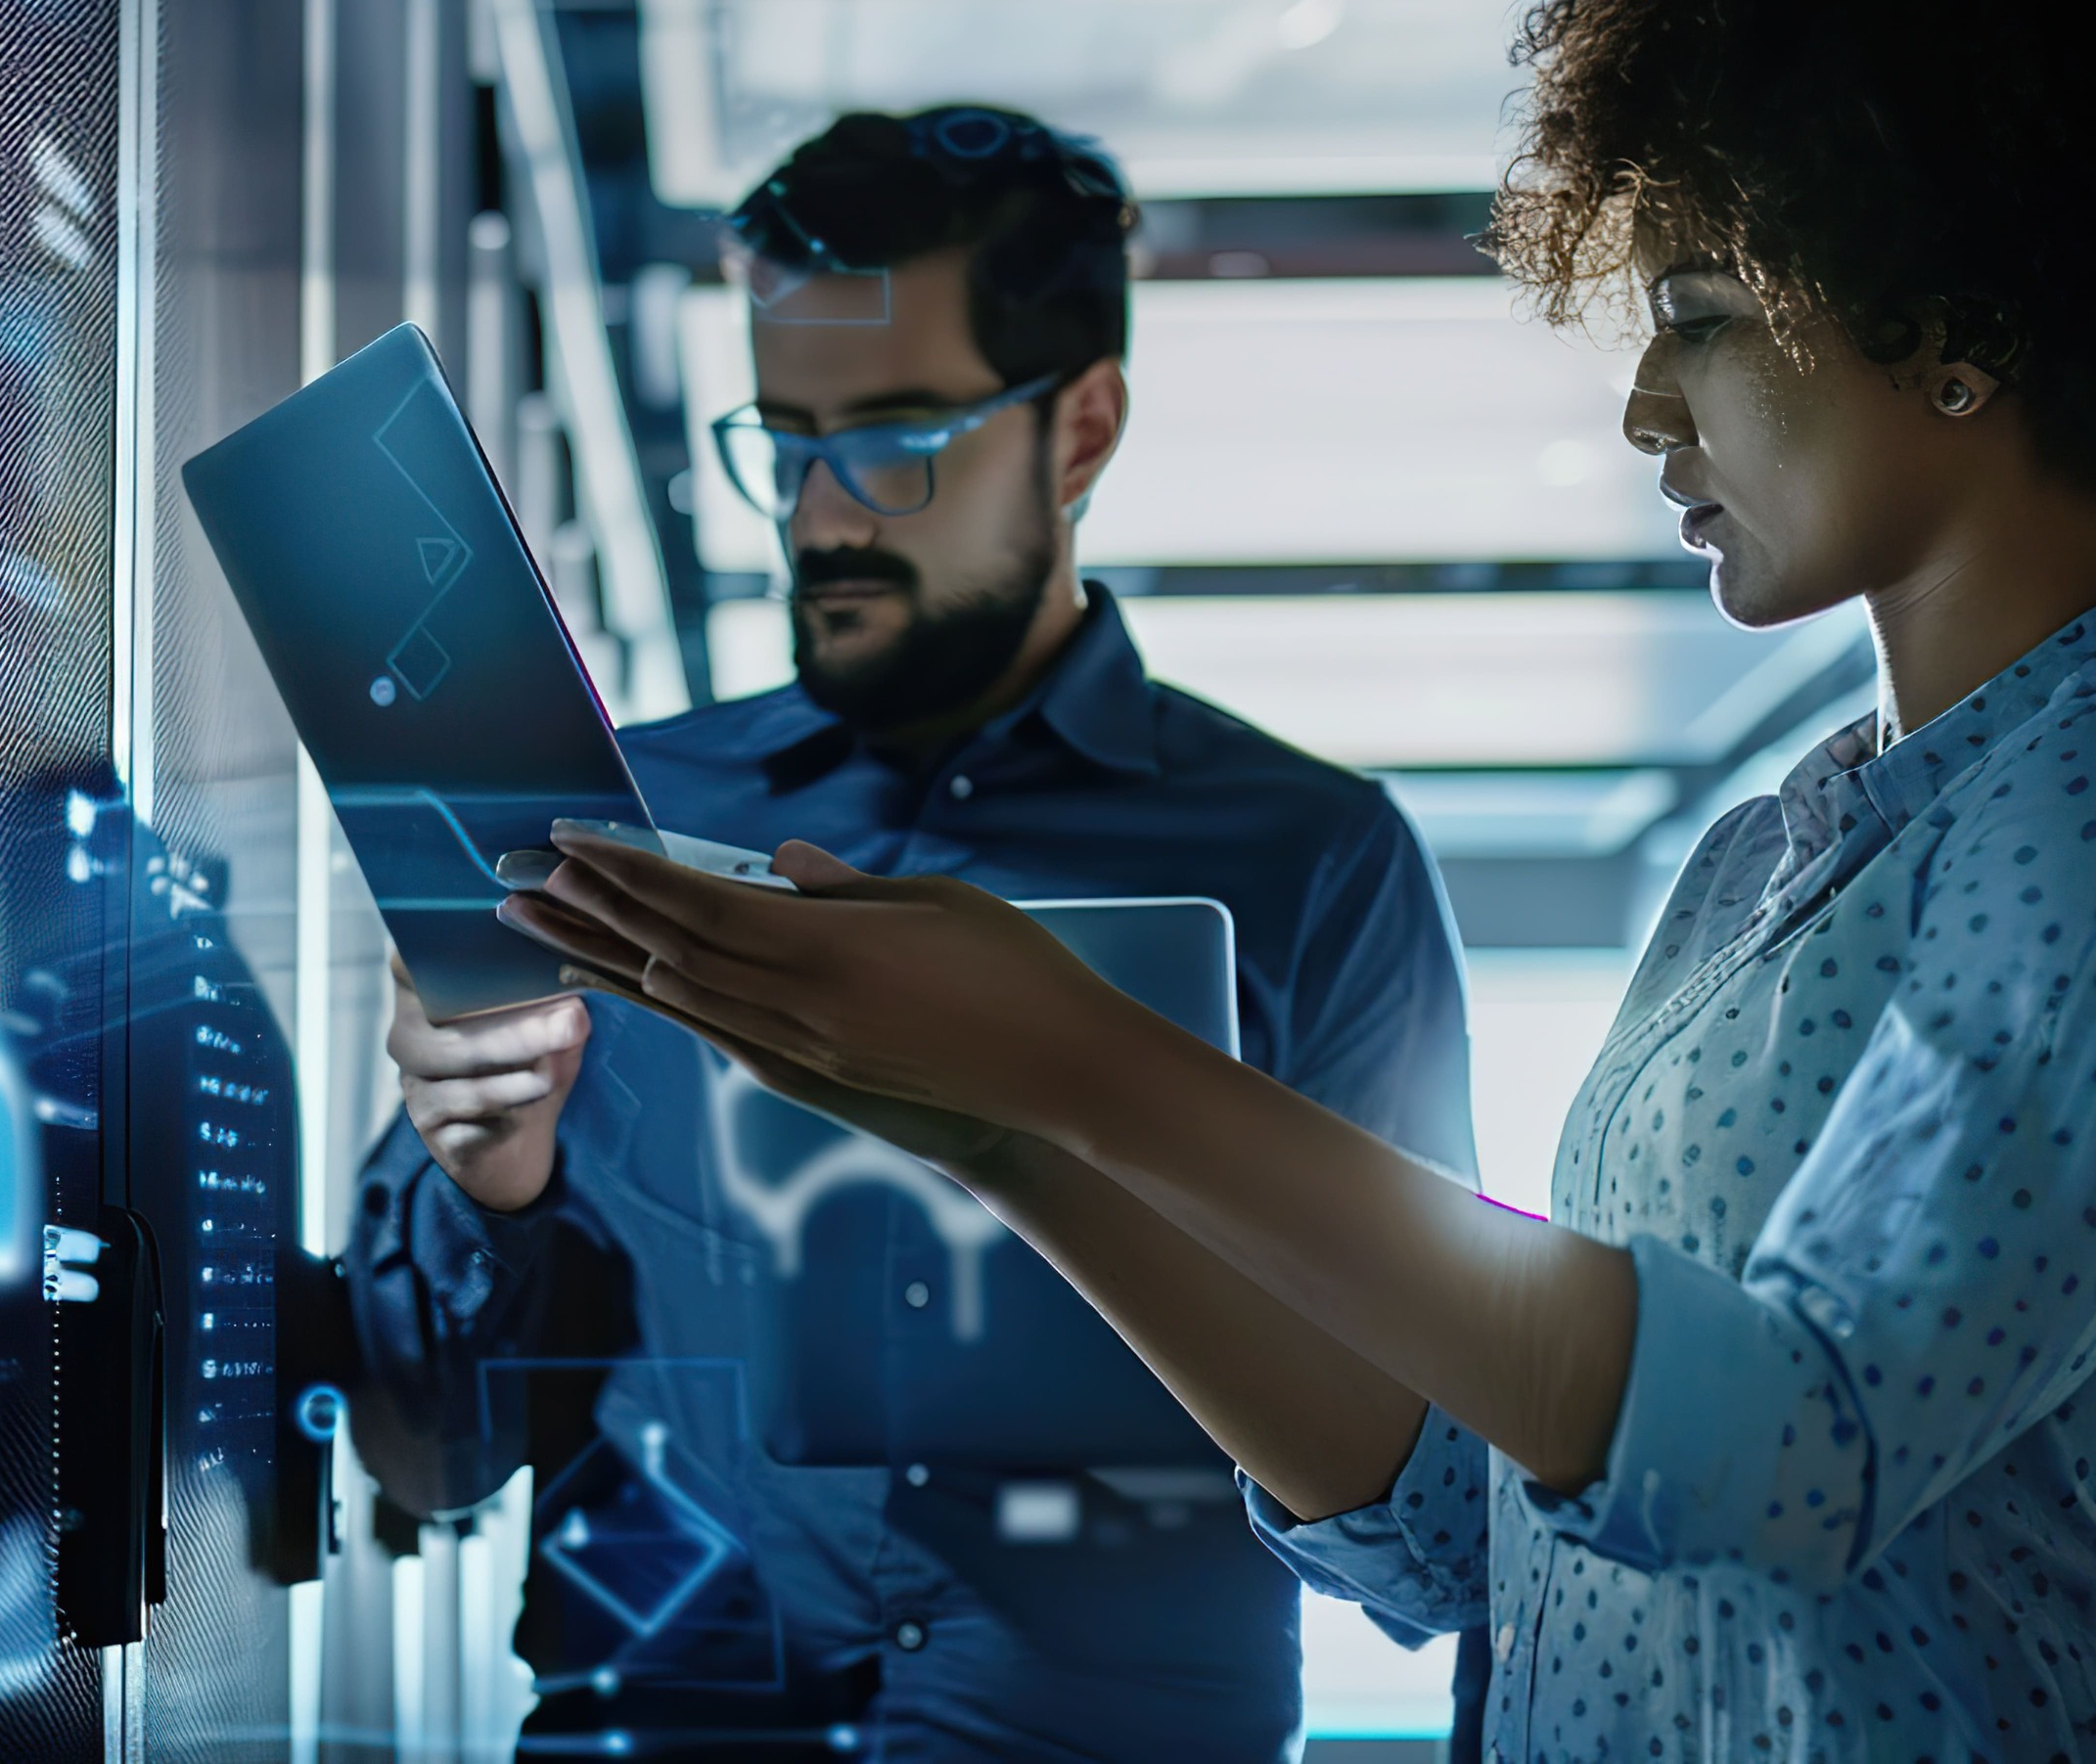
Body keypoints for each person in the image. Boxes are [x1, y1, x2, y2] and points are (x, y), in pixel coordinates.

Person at [502, 0, 2096, 1760]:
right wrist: (1005, 1136)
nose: (1650, 401)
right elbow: (1473, 1530)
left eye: (1708, 319)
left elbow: (1779, 1463)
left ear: (1962, 333)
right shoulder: (1769, 860)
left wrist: (1086, 1063)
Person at [345, 104, 1484, 1761]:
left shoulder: (1313, 860)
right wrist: (482, 1172)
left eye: (891, 443)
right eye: (785, 442)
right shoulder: (615, 824)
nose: (819, 518)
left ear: (1081, 429)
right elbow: (426, 1453)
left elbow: (1432, 1493)